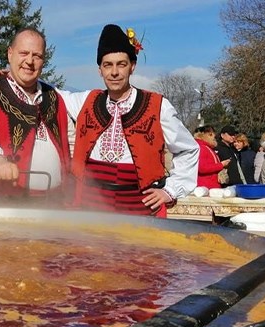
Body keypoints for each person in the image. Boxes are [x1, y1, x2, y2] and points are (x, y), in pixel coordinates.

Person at [71, 24, 199, 217]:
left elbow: (188, 149)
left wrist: (170, 190)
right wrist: (10, 77)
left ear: (132, 66)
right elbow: (47, 91)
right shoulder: (84, 101)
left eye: (121, 64)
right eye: (108, 65)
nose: (114, 72)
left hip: (140, 209)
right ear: (100, 70)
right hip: (92, 207)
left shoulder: (158, 106)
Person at [0, 27, 82, 207]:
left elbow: (71, 142)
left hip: (53, 204)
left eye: (37, 56)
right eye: (24, 53)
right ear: (10, 54)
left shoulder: (55, 96)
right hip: (1, 204)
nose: (30, 61)